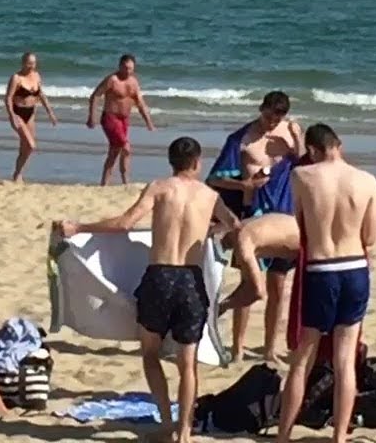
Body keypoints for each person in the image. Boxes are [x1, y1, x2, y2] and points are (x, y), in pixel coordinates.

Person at [55, 137, 241, 443]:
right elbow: (234, 223)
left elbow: (124, 224)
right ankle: (184, 432)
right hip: (191, 280)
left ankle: (167, 422)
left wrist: (80, 228)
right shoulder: (210, 195)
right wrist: (211, 231)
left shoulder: (159, 187)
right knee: (187, 364)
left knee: (151, 353)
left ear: (171, 162)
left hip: (160, 277)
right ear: (197, 163)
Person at [275, 124, 376, 443]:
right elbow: (370, 237)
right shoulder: (367, 180)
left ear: (313, 150)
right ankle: (339, 437)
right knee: (345, 359)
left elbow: (301, 222)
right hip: (355, 266)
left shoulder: (302, 176)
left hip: (321, 267)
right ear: (339, 145)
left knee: (303, 356)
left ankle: (284, 435)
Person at [206, 91, 303, 363]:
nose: (271, 123)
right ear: (261, 109)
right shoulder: (242, 139)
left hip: (285, 215)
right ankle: (238, 348)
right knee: (249, 283)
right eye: (268, 116)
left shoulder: (291, 134)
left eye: (277, 119)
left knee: (278, 286)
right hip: (254, 214)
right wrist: (244, 185)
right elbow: (214, 178)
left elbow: (307, 166)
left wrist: (297, 141)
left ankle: (269, 349)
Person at [86, 54, 154, 186]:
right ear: (120, 66)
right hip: (110, 118)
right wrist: (91, 116)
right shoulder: (112, 80)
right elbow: (95, 95)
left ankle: (106, 183)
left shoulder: (133, 82)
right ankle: (125, 181)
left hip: (124, 120)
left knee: (115, 152)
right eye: (125, 68)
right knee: (126, 147)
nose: (128, 71)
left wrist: (149, 122)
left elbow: (140, 103)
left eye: (130, 68)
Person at [4, 51, 58, 182]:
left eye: (33, 63)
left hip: (31, 114)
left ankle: (18, 174)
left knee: (25, 147)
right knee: (31, 145)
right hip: (18, 114)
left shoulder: (36, 76)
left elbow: (41, 95)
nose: (31, 66)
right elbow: (8, 98)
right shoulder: (16, 78)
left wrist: (50, 112)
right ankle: (17, 173)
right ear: (23, 63)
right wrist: (11, 115)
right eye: (29, 63)